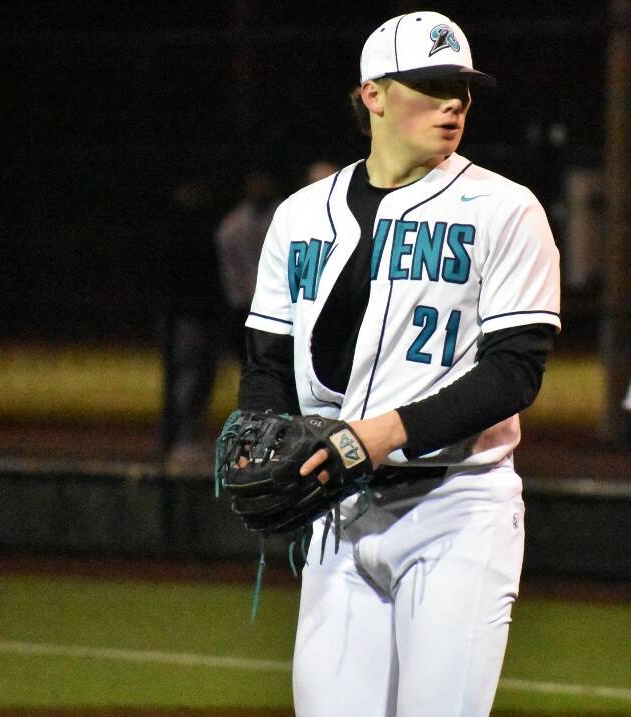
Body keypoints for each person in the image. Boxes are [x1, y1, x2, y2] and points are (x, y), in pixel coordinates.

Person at [234, 11, 560, 717]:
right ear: (373, 93)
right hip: (339, 515)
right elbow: (266, 357)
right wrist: (262, 426)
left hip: (457, 509)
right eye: (432, 84)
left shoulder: (505, 210)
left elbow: (514, 373)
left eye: (464, 89)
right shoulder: (300, 215)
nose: (454, 103)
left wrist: (377, 432)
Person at [157, 174, 224, 470]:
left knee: (193, 378)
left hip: (192, 315)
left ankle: (182, 438)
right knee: (188, 378)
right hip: (187, 316)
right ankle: (181, 439)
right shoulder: (186, 235)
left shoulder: (195, 233)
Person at [214, 170, 281, 363]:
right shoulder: (234, 224)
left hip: (279, 305)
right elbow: (230, 269)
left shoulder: (287, 215)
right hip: (245, 306)